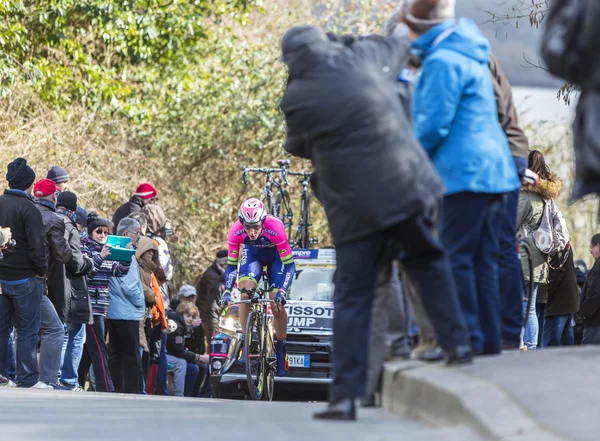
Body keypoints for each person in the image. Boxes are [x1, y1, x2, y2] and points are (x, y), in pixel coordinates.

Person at [280, 24, 471, 420]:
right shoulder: (364, 57)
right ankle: (457, 344)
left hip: (354, 210)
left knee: (353, 296)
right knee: (428, 262)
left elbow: (296, 145)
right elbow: (400, 41)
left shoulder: (296, 98)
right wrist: (345, 42)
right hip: (407, 188)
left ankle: (346, 396)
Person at [398, 0, 521, 355]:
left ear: (417, 27)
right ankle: (486, 341)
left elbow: (433, 126)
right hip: (495, 172)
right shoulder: (468, 53)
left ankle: (459, 340)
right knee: (483, 259)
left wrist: (406, 163)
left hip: (464, 174)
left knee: (454, 257)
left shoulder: (441, 62)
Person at [220, 198, 294, 378]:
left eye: (256, 227)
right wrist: (228, 291)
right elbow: (231, 266)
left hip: (277, 259)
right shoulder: (235, 231)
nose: (252, 232)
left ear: (263, 221)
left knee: (277, 305)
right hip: (253, 257)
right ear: (241, 223)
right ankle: (246, 343)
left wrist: (282, 291)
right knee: (245, 292)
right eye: (248, 227)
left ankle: (281, 347)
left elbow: (290, 265)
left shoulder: (275, 228)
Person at [488, 53, 531, 349]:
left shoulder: (460, 55)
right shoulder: (485, 55)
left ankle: (499, 331)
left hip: (495, 155)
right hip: (509, 152)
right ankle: (506, 331)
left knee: (475, 249)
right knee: (501, 247)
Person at [0, 158, 50, 389]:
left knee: (1, 329)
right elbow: (37, 246)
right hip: (24, 279)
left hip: (1, 280)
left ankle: (2, 375)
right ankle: (27, 379)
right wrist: (41, 271)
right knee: (27, 330)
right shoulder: (29, 209)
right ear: (29, 184)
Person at [79, 212, 131, 392]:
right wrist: (100, 256)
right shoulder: (85, 248)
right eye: (98, 232)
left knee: (89, 348)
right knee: (98, 347)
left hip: (102, 304)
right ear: (90, 232)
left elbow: (119, 271)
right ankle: (106, 387)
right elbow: (86, 273)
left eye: (105, 232)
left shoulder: (109, 249)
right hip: (88, 304)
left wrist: (126, 257)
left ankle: (77, 382)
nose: (102, 235)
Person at [517, 150, 562, 350]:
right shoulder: (547, 199)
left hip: (524, 256)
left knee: (521, 304)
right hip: (540, 257)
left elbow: (511, 224)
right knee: (532, 306)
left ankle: (521, 344)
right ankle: (531, 345)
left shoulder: (526, 196)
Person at [34, 179, 73, 389]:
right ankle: (47, 378)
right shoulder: (54, 219)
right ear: (53, 196)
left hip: (9, 278)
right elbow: (63, 255)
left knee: (21, 329)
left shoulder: (25, 213)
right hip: (36, 281)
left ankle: (15, 374)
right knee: (55, 330)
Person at [55, 191, 95, 391]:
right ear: (72, 210)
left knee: (58, 333)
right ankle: (69, 380)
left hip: (52, 287)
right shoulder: (70, 227)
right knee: (76, 335)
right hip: (70, 289)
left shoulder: (49, 221)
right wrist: (90, 263)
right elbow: (76, 263)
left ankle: (55, 377)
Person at [106, 218, 145, 394]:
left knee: (115, 354)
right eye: (136, 233)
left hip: (112, 310)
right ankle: (133, 391)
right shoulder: (126, 253)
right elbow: (129, 286)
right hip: (127, 311)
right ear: (126, 234)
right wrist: (140, 302)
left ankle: (116, 388)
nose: (139, 236)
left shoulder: (110, 250)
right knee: (131, 356)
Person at [166, 302, 209, 397]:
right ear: (181, 314)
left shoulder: (185, 326)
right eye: (188, 315)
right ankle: (182, 394)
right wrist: (198, 357)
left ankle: (195, 395)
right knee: (189, 366)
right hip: (167, 356)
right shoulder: (177, 327)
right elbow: (177, 350)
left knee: (202, 367)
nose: (190, 319)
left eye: (193, 317)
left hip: (175, 354)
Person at [543, 244, 579, 347]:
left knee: (550, 349)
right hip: (567, 302)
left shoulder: (554, 242)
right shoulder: (563, 238)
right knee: (566, 348)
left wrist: (544, 296)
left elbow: (555, 273)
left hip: (556, 304)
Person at [195, 250, 227, 343]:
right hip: (209, 313)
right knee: (213, 339)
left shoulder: (219, 273)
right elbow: (214, 296)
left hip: (217, 311)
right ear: (223, 264)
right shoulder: (211, 275)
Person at [580, 234, 600, 344]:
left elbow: (595, 294)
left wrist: (585, 311)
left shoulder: (598, 267)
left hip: (595, 324)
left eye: (591, 249)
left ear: (598, 247)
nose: (591, 253)